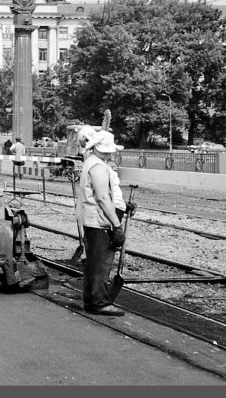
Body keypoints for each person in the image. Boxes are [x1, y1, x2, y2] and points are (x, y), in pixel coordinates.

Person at [79, 130, 126, 316]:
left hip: (93, 220)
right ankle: (99, 303)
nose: (110, 153)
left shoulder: (92, 162)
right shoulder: (97, 167)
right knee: (101, 264)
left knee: (94, 262)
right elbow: (103, 198)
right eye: (107, 150)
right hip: (100, 222)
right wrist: (116, 224)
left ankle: (92, 301)